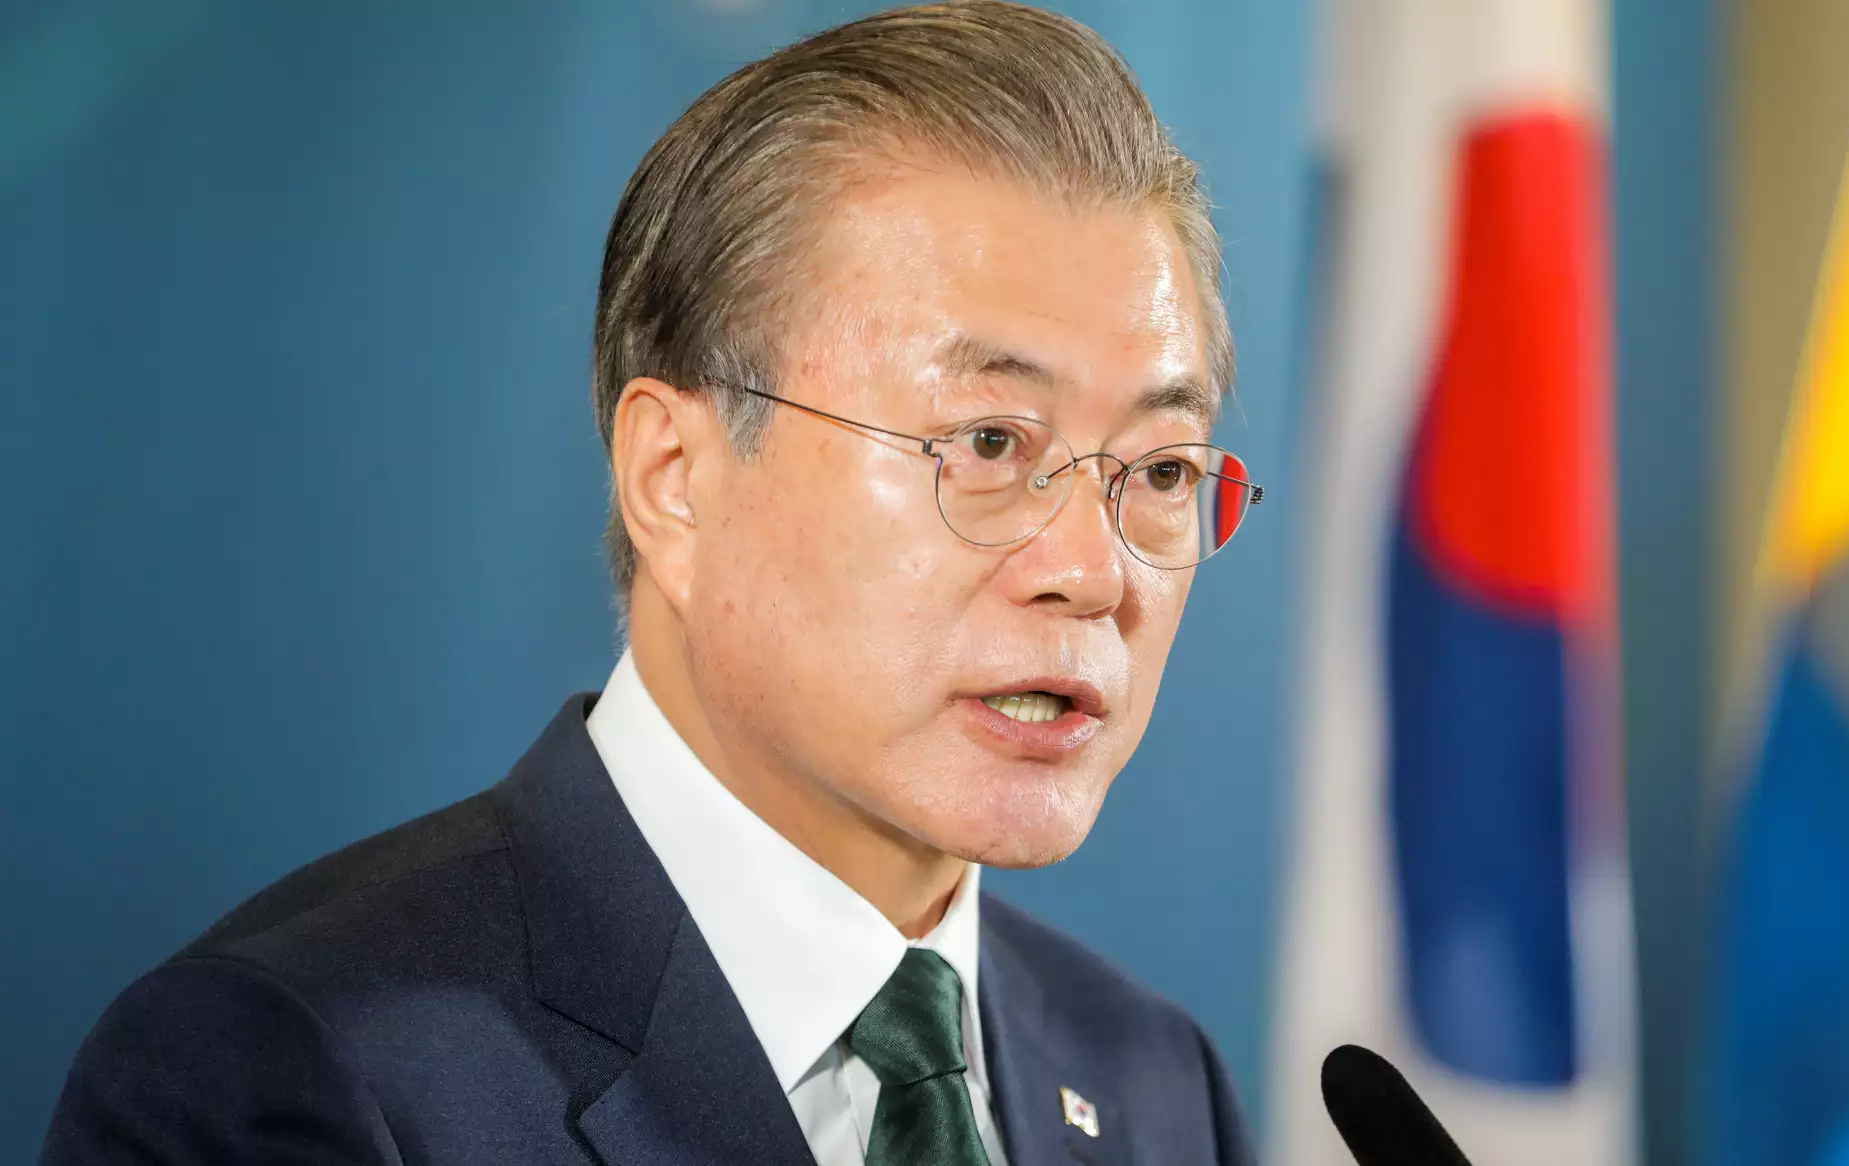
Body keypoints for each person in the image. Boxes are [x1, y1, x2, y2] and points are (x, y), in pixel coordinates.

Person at [40, 3, 1265, 1162]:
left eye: (1160, 467)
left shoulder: (1155, 1080)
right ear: (674, 478)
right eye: (989, 443)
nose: (1091, 572)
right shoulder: (296, 1070)